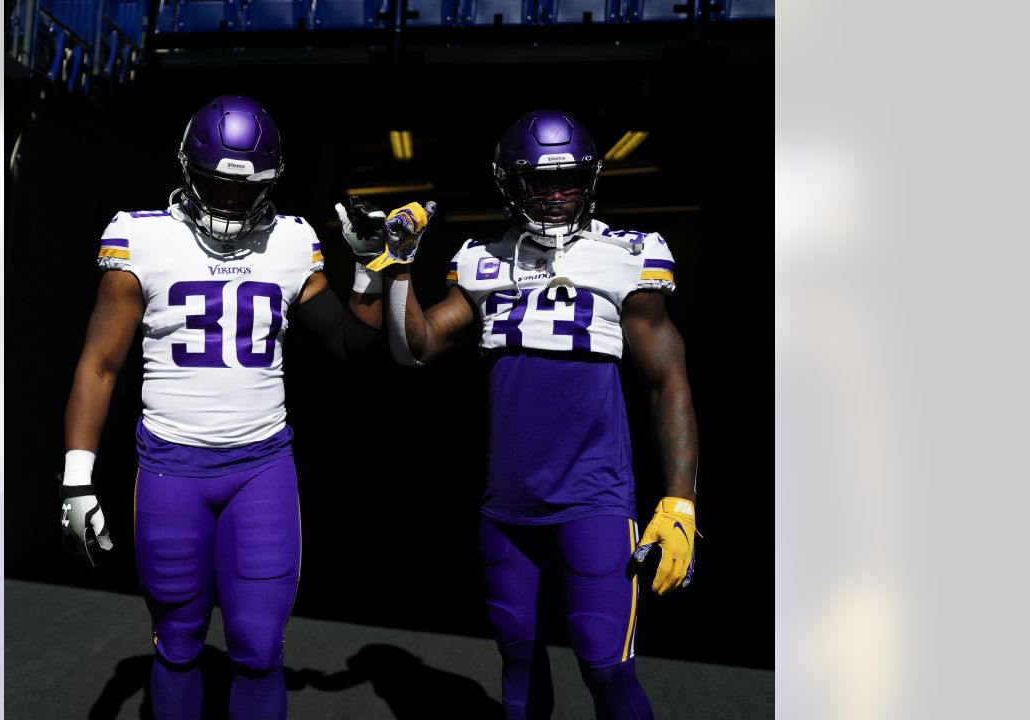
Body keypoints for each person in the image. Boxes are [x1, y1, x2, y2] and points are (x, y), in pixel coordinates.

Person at [57, 95, 385, 720]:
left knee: (259, 648)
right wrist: (76, 476)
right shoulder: (141, 235)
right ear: (187, 171)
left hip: (260, 468)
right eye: (217, 186)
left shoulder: (291, 240)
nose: (231, 204)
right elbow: (99, 364)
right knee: (178, 645)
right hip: (169, 468)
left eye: (247, 190)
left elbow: (350, 342)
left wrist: (370, 268)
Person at [382, 110, 700, 720]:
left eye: (570, 182)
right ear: (509, 184)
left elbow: (669, 384)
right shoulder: (481, 259)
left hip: (595, 502)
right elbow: (412, 348)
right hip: (508, 508)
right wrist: (398, 266)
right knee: (519, 665)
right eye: (539, 184)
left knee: (605, 667)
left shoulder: (628, 255)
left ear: (591, 182)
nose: (556, 198)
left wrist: (680, 499)